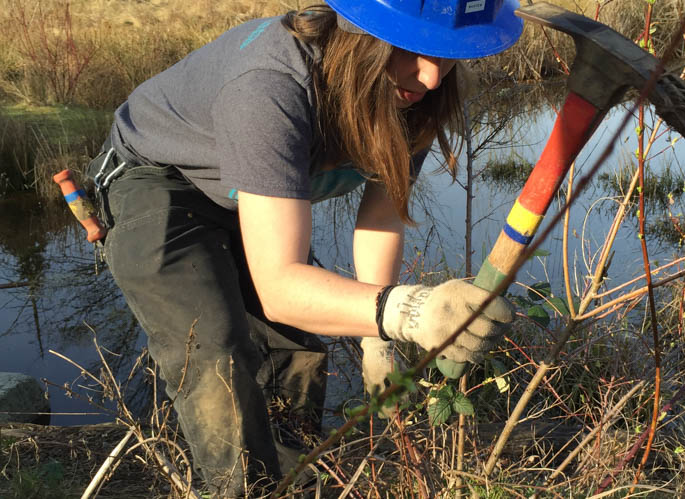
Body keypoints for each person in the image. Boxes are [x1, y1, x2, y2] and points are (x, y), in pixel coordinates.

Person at [87, 0, 523, 496]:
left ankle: (290, 483)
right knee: (213, 348)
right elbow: (280, 287)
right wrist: (410, 310)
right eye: (413, 49)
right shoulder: (270, 86)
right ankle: (242, 491)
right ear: (359, 33)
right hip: (165, 177)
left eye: (447, 56)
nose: (431, 78)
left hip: (249, 191)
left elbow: (380, 218)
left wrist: (377, 338)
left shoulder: (411, 97)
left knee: (294, 348)